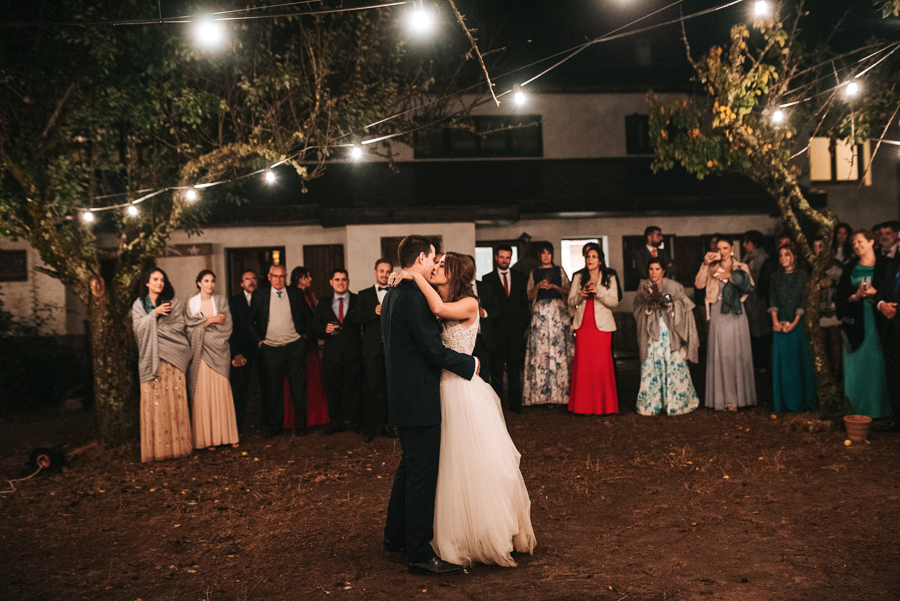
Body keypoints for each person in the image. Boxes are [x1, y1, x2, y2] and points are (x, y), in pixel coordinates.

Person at [400, 251, 536, 568]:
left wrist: (413, 274)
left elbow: (438, 308)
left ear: (456, 273)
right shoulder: (440, 298)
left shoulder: (469, 302)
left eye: (441, 266)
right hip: (441, 389)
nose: (435, 267)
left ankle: (479, 531)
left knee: (467, 460)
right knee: (445, 463)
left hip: (462, 391)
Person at [382, 235, 479, 576]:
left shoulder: (395, 292)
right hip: (420, 397)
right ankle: (420, 553)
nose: (435, 265)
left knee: (409, 468)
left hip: (402, 395)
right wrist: (471, 366)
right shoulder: (413, 296)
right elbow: (432, 351)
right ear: (421, 257)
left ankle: (395, 536)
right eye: (433, 259)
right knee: (421, 475)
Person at [132, 267, 193, 463]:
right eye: (155, 279)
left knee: (174, 401)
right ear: (147, 283)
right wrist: (154, 315)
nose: (159, 283)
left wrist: (157, 328)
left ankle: (178, 447)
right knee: (154, 403)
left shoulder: (174, 304)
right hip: (151, 359)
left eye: (162, 280)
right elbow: (137, 328)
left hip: (173, 358)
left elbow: (178, 327)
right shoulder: (139, 305)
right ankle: (157, 450)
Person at [248, 264, 313, 438]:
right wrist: (259, 342)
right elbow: (249, 322)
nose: (278, 279)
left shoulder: (296, 294)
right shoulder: (260, 295)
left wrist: (304, 337)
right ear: (269, 277)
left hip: (294, 346)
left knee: (298, 388)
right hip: (271, 348)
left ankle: (301, 426)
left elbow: (309, 317)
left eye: (282, 276)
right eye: (275, 276)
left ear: (285, 277)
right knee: (273, 389)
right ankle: (275, 427)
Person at [695, 238, 757, 411]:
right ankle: (725, 399)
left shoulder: (741, 267)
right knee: (722, 354)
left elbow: (750, 286)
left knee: (737, 353)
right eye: (718, 248)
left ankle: (740, 398)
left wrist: (730, 276)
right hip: (717, 311)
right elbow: (699, 284)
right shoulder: (712, 267)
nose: (721, 251)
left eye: (725, 248)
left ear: (731, 249)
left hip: (736, 312)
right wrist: (705, 265)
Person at [835, 230, 891, 419]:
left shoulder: (885, 264)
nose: (857, 246)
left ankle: (879, 410)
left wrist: (876, 294)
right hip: (855, 323)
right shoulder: (850, 266)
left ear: (871, 241)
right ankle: (857, 410)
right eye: (854, 244)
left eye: (860, 242)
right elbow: (840, 296)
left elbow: (891, 290)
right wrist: (856, 296)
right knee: (856, 366)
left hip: (878, 322)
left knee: (876, 365)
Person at [633, 258, 700, 416]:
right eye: (651, 269)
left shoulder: (674, 286)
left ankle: (677, 403)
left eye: (657, 269)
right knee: (651, 365)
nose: (653, 272)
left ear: (663, 271)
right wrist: (647, 309)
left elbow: (685, 304)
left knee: (674, 365)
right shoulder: (643, 287)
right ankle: (650, 405)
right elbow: (637, 308)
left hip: (670, 333)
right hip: (652, 333)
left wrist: (669, 303)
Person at [184, 270, 239, 449]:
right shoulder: (191, 303)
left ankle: (226, 435)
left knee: (221, 391)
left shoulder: (221, 301)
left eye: (212, 281)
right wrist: (209, 322)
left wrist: (205, 328)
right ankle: (208, 439)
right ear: (199, 283)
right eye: (206, 281)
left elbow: (227, 326)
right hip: (200, 353)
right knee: (203, 393)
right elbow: (188, 329)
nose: (210, 284)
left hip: (220, 352)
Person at [568, 243, 620, 415]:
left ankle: (604, 406)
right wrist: (581, 295)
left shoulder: (610, 276)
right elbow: (570, 301)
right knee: (583, 366)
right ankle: (583, 406)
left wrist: (599, 292)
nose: (590, 259)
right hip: (583, 326)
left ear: (600, 260)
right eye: (588, 256)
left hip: (602, 327)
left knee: (601, 365)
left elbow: (614, 301)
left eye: (593, 256)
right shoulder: (578, 276)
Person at [312, 268, 363, 435]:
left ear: (348, 282)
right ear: (331, 282)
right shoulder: (324, 303)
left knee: (353, 389)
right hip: (332, 355)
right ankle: (335, 423)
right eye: (337, 279)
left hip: (353, 353)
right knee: (333, 389)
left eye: (343, 279)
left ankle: (354, 422)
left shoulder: (358, 300)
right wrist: (323, 329)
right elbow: (314, 327)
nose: (341, 283)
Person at [481, 244, 530, 413]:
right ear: (496, 257)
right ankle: (497, 404)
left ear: (511, 258)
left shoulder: (519, 277)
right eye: (502, 257)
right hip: (496, 331)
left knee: (515, 368)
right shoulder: (487, 279)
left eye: (508, 257)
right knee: (496, 369)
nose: (505, 260)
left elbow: (524, 304)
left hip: (515, 331)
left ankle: (516, 404)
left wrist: (523, 326)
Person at [523, 242, 573, 406]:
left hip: (558, 313)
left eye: (548, 253)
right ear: (539, 255)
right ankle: (541, 395)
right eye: (543, 253)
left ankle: (561, 394)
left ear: (552, 254)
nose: (546, 256)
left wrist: (555, 287)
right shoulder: (534, 273)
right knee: (541, 351)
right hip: (540, 315)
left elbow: (570, 291)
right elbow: (529, 296)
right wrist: (538, 286)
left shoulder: (560, 271)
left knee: (559, 351)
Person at [768, 245, 817, 413]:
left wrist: (794, 323)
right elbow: (772, 299)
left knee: (798, 363)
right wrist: (776, 322)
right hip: (779, 326)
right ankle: (784, 402)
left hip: (796, 326)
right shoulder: (775, 277)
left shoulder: (803, 275)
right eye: (781, 255)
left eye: (787, 255)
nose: (783, 258)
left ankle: (802, 402)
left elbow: (804, 300)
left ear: (794, 256)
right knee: (783, 365)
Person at [284, 266, 329, 430]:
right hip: (300, 341)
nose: (310, 279)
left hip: (311, 341)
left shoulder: (310, 295)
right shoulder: (294, 295)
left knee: (313, 376)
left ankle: (315, 416)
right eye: (308, 276)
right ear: (301, 278)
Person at [357, 259, 393, 442]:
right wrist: (373, 311)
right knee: (371, 388)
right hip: (371, 350)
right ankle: (370, 427)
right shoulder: (363, 295)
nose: (385, 275)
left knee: (389, 388)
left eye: (388, 271)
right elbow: (356, 318)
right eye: (381, 271)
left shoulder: (397, 293)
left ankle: (386, 425)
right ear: (375, 271)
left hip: (392, 350)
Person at [228, 271, 261, 431]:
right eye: (247, 279)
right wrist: (236, 352)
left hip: (262, 349)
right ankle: (238, 425)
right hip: (242, 350)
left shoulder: (263, 298)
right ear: (241, 283)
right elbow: (231, 329)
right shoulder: (234, 302)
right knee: (240, 389)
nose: (251, 282)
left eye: (254, 279)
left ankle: (265, 423)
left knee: (265, 387)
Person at [742, 230, 773, 371]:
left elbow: (756, 280)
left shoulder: (760, 257)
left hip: (758, 299)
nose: (744, 245)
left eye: (746, 242)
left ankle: (762, 364)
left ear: (753, 243)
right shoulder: (749, 257)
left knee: (760, 330)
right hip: (749, 299)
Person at [875, 253, 900, 429]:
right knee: (894, 377)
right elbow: (881, 291)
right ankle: (897, 419)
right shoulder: (892, 267)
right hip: (891, 331)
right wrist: (882, 305)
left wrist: (896, 309)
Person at [813, 237, 844, 377]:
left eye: (821, 246)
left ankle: (836, 374)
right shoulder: (811, 265)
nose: (818, 249)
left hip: (833, 309)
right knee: (820, 345)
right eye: (815, 246)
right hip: (817, 310)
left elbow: (845, 282)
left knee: (834, 343)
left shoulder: (836, 264)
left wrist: (833, 282)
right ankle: (823, 376)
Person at [471, 264, 500, 386]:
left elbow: (497, 309)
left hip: (484, 339)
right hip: (466, 341)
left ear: (475, 269)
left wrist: (485, 313)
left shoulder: (486, 287)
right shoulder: (457, 289)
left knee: (484, 377)